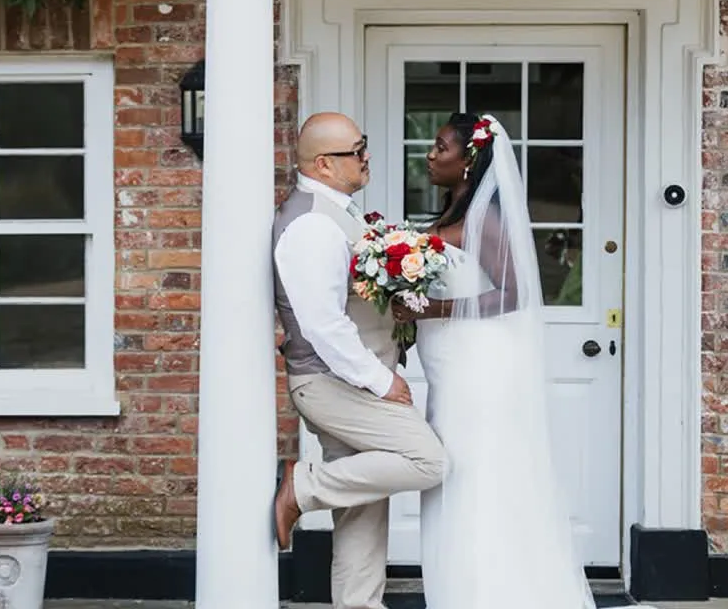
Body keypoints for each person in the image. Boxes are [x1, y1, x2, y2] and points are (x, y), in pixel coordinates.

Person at [391, 112, 652, 609]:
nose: (430, 154)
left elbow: (515, 293)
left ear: (469, 159)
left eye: (441, 147)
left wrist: (435, 308)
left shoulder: (484, 219)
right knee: (453, 476)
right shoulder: (450, 216)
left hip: (480, 368)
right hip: (449, 367)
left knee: (478, 477)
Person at [272, 112, 447, 609]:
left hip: (346, 381)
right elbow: (321, 323)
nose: (367, 156)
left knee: (364, 509)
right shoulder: (310, 224)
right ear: (325, 164)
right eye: (358, 149)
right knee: (427, 460)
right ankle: (302, 487)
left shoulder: (335, 212)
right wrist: (379, 380)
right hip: (332, 383)